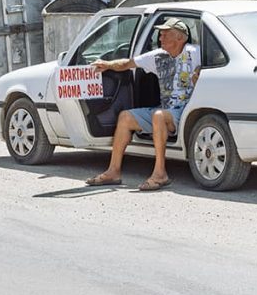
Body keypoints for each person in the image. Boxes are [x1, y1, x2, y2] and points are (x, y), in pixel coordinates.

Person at [85, 17, 200, 191]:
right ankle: (113, 171)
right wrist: (107, 64)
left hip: (186, 112)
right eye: (160, 35)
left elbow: (217, 62)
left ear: (180, 38)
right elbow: (128, 63)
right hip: (165, 112)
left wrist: (201, 71)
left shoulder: (195, 52)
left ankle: (160, 173)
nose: (160, 39)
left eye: (165, 34)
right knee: (125, 117)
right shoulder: (158, 56)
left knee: (159, 115)